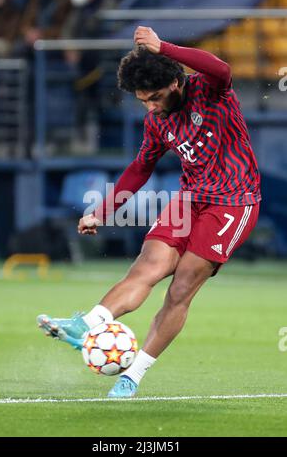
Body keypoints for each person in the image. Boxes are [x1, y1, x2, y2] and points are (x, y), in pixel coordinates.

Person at [37, 26, 261, 398]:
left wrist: (165, 47)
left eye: (155, 97)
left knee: (181, 288)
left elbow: (221, 68)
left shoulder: (210, 91)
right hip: (190, 200)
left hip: (233, 204)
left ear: (175, 82)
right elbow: (140, 168)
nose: (151, 106)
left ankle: (132, 376)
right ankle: (87, 323)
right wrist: (103, 211)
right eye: (143, 101)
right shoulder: (156, 121)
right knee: (147, 267)